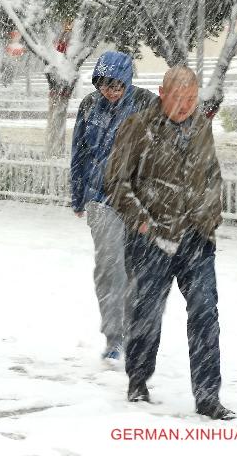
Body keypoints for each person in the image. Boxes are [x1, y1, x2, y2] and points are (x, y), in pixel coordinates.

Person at [104, 67, 235, 420]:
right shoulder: (138, 127)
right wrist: (144, 223)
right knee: (147, 313)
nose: (185, 106)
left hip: (196, 238)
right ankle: (138, 379)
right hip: (151, 240)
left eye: (191, 99)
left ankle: (208, 396)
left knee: (206, 313)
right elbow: (116, 182)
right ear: (162, 93)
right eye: (178, 98)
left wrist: (211, 218)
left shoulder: (202, 128)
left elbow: (213, 177)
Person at [70, 51, 156, 361]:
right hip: (101, 199)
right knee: (109, 266)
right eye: (105, 86)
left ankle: (135, 331)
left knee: (135, 268)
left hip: (138, 200)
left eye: (117, 86)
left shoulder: (147, 104)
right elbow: (79, 151)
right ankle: (113, 336)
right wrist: (78, 194)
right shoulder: (90, 106)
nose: (111, 92)